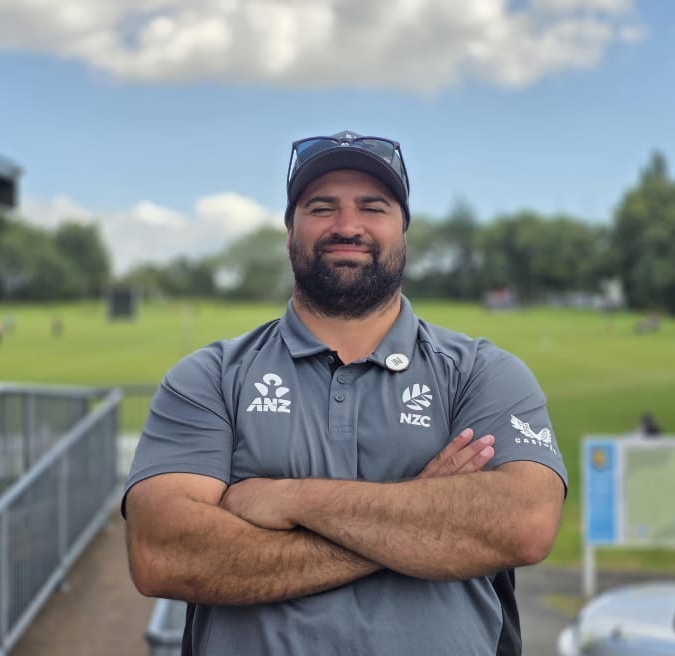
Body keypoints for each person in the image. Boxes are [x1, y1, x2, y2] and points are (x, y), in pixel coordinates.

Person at [122, 130, 568, 655]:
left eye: (373, 207)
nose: (347, 226)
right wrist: (424, 519)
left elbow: (522, 523)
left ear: (404, 228)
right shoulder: (210, 377)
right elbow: (164, 552)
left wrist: (289, 498)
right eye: (322, 207)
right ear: (290, 228)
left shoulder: (482, 372)